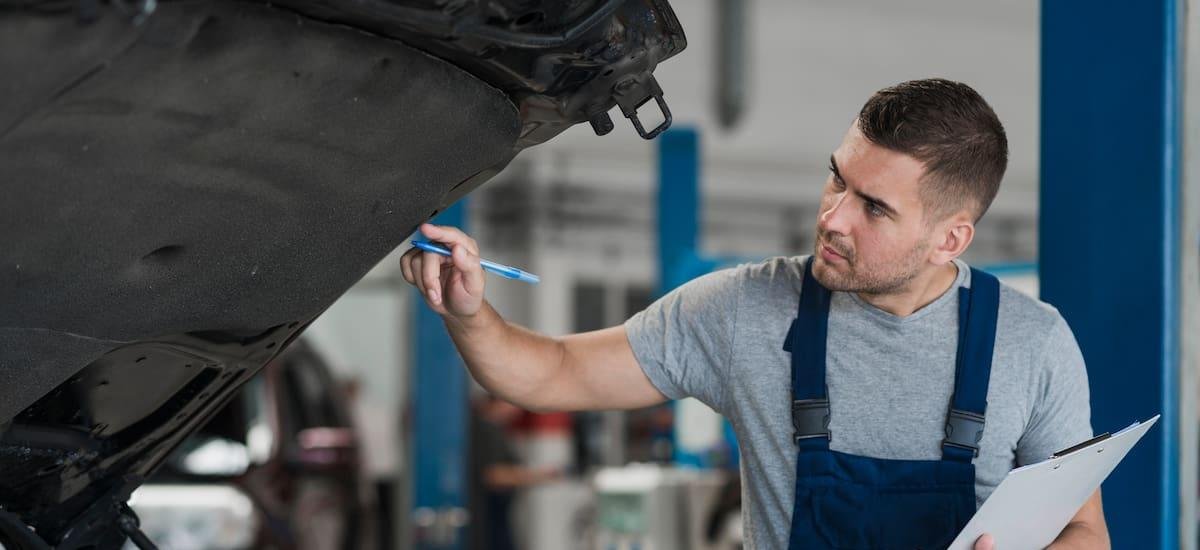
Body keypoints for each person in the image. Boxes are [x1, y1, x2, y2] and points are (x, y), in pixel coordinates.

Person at [400, 78, 1108, 549]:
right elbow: (549, 373)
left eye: (875, 208)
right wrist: (469, 312)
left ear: (950, 237)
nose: (833, 217)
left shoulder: (1033, 344)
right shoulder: (745, 311)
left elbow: (1085, 531)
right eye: (838, 177)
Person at [468, 393, 561, 550]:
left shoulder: (494, 429)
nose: (518, 412)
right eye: (516, 406)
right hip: (487, 518)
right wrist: (536, 476)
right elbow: (493, 475)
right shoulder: (484, 429)